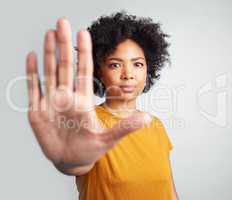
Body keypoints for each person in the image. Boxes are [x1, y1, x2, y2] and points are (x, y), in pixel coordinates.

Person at [25, 10, 179, 200]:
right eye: (115, 65)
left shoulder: (156, 126)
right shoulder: (87, 123)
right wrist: (69, 162)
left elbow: (170, 193)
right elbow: (76, 162)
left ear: (148, 69)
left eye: (137, 64)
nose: (128, 74)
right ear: (99, 72)